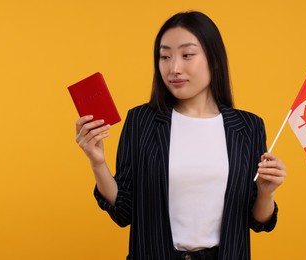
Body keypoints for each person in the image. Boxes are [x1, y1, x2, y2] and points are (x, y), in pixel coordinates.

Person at [76, 11, 286, 260]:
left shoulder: (248, 127)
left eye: (187, 55)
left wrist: (266, 192)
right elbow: (125, 211)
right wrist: (97, 162)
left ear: (213, 59)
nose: (174, 68)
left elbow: (257, 220)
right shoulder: (142, 121)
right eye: (165, 56)